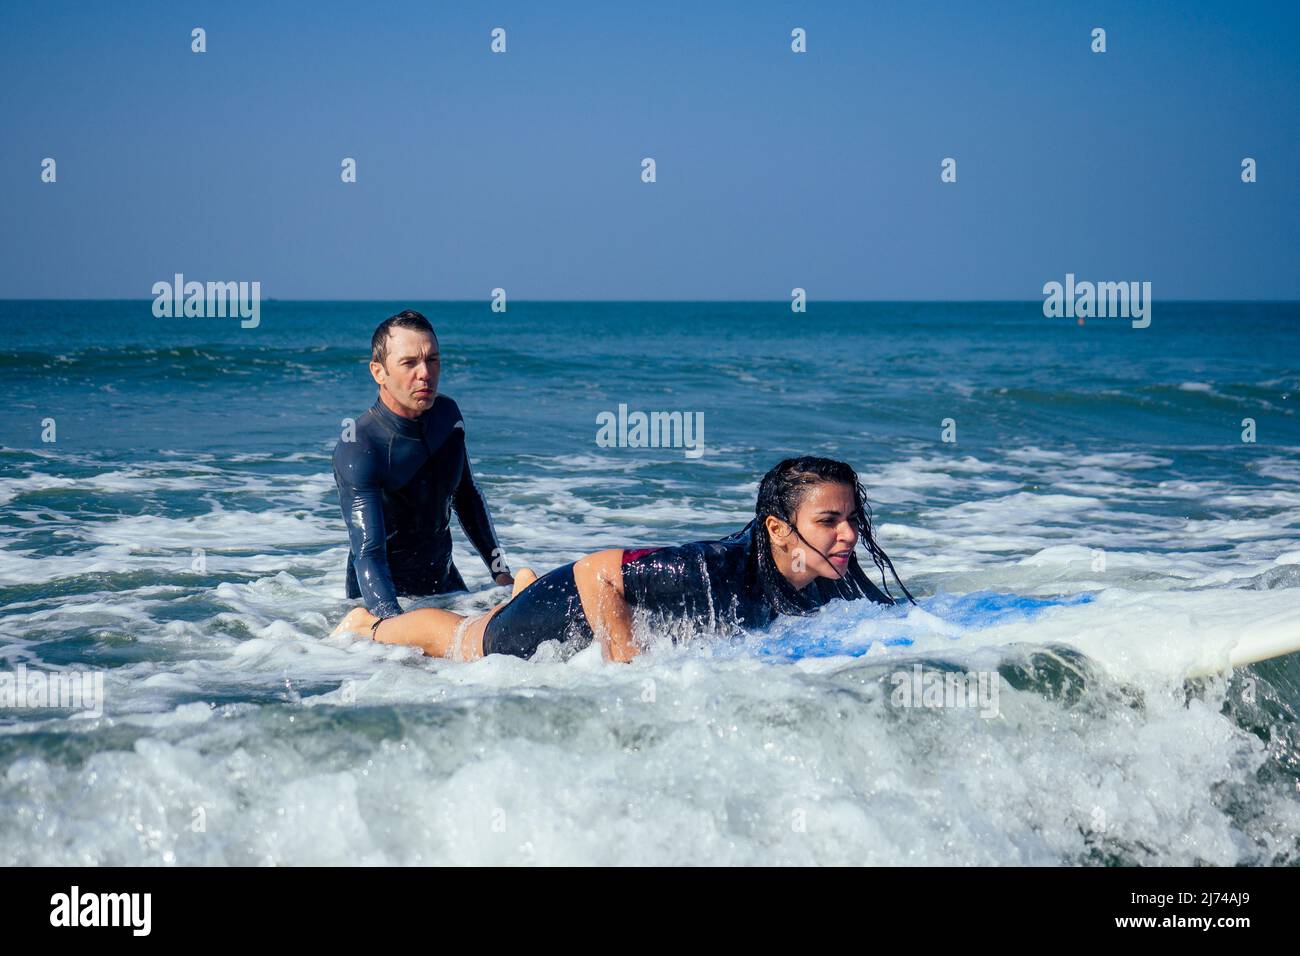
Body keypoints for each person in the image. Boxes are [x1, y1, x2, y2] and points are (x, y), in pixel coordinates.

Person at [333, 456, 914, 663]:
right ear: (778, 530)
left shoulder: (826, 575)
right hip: (572, 607)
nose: (848, 535)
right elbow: (597, 571)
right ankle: (374, 626)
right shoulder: (713, 566)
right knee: (466, 642)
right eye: (829, 521)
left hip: (598, 607)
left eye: (851, 519)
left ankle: (520, 585)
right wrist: (625, 666)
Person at [332, 310, 513, 622]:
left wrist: (502, 575)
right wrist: (391, 622)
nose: (425, 373)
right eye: (409, 363)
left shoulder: (448, 416)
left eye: (433, 360)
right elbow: (369, 554)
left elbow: (467, 498)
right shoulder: (360, 446)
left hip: (446, 587)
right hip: (382, 598)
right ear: (378, 372)